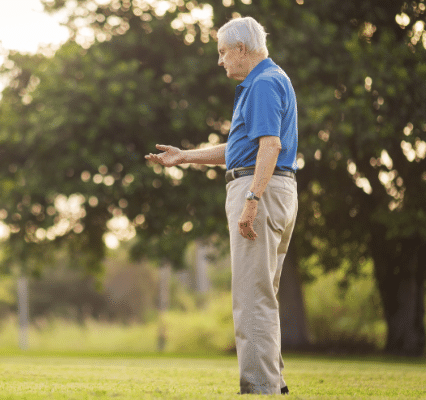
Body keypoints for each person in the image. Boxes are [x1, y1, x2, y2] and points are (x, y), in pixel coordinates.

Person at [145, 16, 298, 395]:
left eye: (223, 52)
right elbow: (238, 150)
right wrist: (184, 157)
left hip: (259, 189)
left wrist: (251, 200)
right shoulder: (271, 79)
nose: (220, 61)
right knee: (263, 295)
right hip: (276, 189)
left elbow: (269, 147)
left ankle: (261, 389)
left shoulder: (262, 83)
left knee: (251, 299)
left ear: (242, 50)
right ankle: (273, 385)